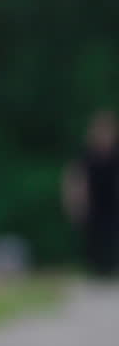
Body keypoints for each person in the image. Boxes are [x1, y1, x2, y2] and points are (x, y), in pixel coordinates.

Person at [62, 109, 119, 277]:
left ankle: (112, 268)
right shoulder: (85, 153)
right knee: (93, 239)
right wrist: (75, 203)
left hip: (113, 203)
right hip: (93, 204)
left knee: (112, 236)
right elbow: (74, 177)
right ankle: (96, 270)